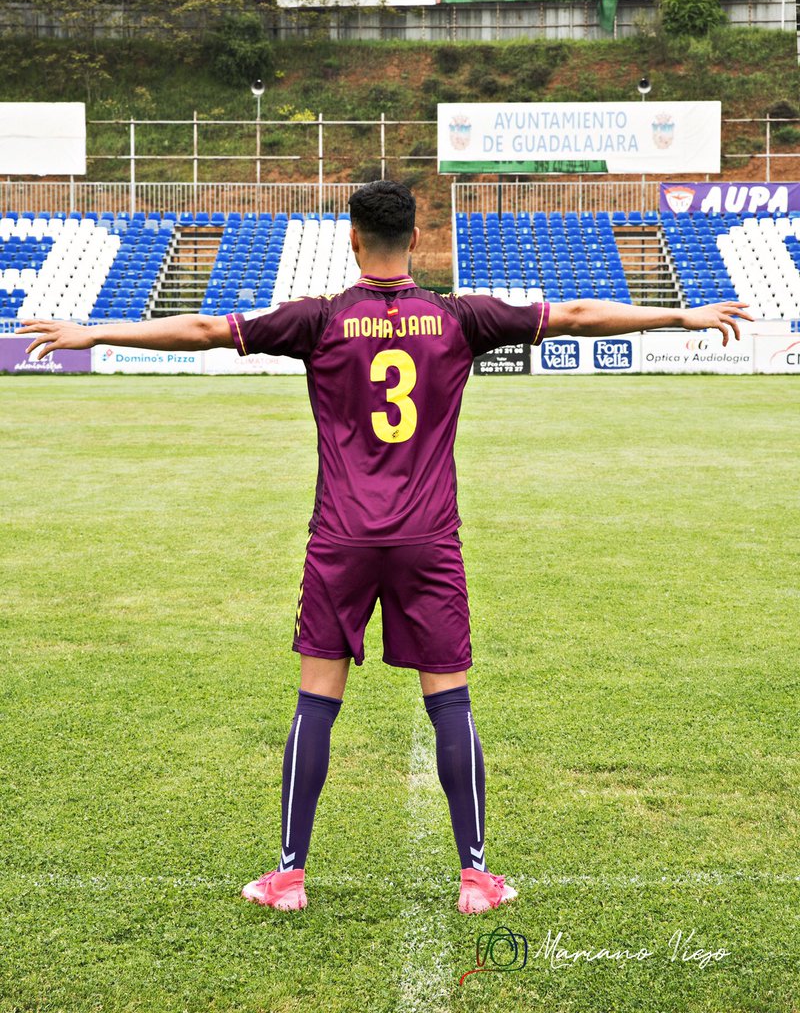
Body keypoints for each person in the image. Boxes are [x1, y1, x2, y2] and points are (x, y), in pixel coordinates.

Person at [18, 181, 751, 915]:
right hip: (429, 540)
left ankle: (288, 875)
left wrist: (96, 332)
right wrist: (682, 312)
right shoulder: (458, 317)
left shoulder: (321, 320)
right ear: (420, 241)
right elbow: (577, 313)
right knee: (450, 699)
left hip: (341, 537)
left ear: (352, 237)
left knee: (316, 699)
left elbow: (209, 328)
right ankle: (476, 877)